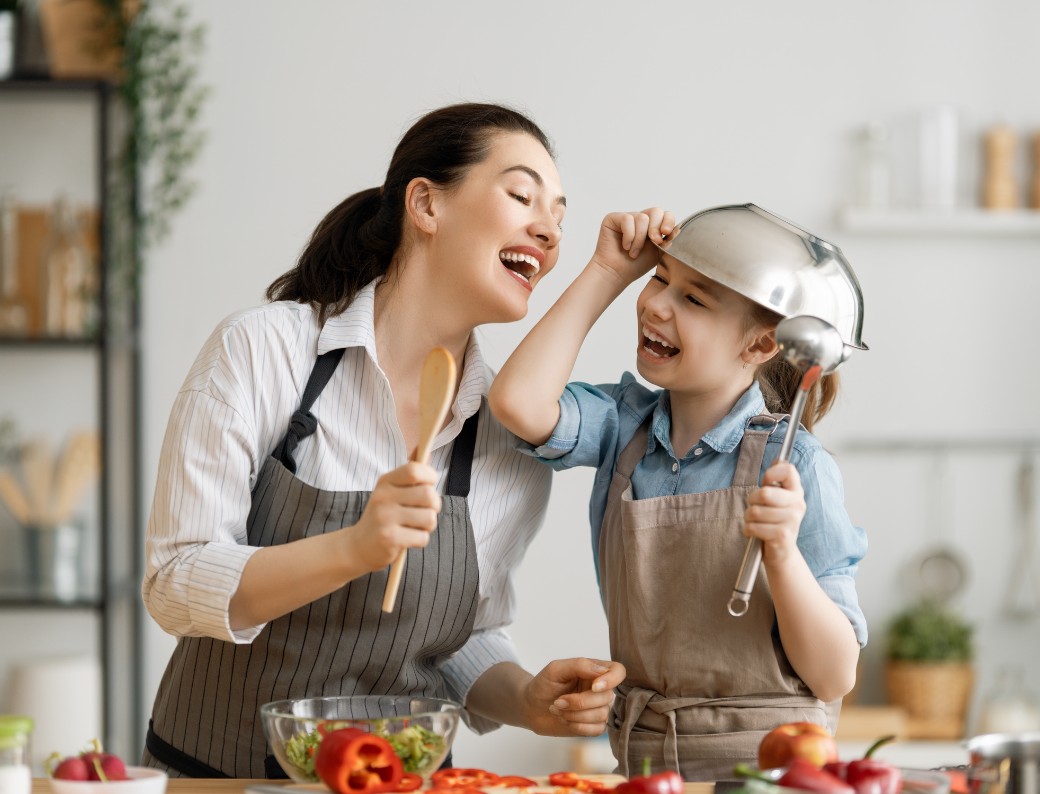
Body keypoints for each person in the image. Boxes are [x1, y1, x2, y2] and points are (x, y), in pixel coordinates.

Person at [140, 102, 625, 779]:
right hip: (221, 777)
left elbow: (461, 637)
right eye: (522, 195)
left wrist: (529, 701)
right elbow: (175, 582)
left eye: (560, 217)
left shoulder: (508, 438)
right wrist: (353, 548)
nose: (548, 229)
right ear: (425, 205)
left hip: (403, 781)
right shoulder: (264, 351)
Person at [488, 204, 869, 781]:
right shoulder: (621, 426)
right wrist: (607, 272)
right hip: (645, 768)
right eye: (660, 278)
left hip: (772, 777)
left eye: (694, 300)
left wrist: (783, 554)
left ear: (762, 346)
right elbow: (517, 404)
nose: (656, 304)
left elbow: (835, 675)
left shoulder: (797, 465)